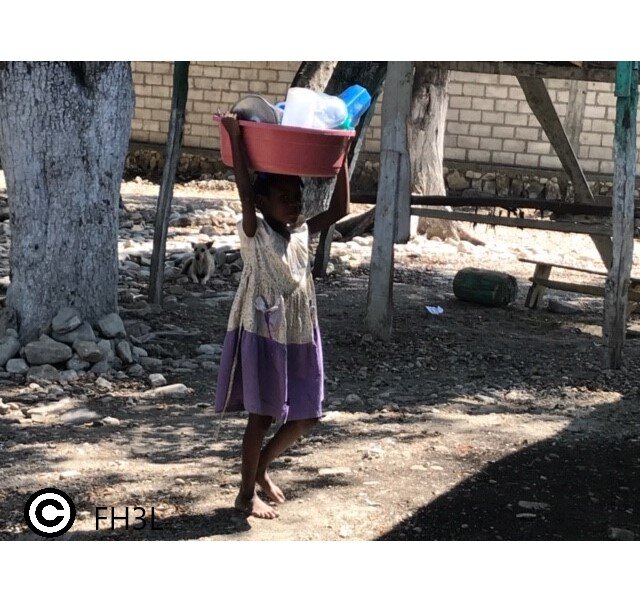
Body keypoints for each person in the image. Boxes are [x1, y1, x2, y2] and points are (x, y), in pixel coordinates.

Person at [215, 113, 350, 519]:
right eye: (283, 197)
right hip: (263, 331)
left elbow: (342, 207)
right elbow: (243, 189)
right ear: (261, 203)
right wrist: (236, 138)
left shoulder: (303, 230)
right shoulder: (255, 232)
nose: (292, 205)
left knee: (307, 413)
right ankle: (244, 494)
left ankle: (261, 469)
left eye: (297, 197)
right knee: (263, 413)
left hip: (299, 330)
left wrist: (341, 155)